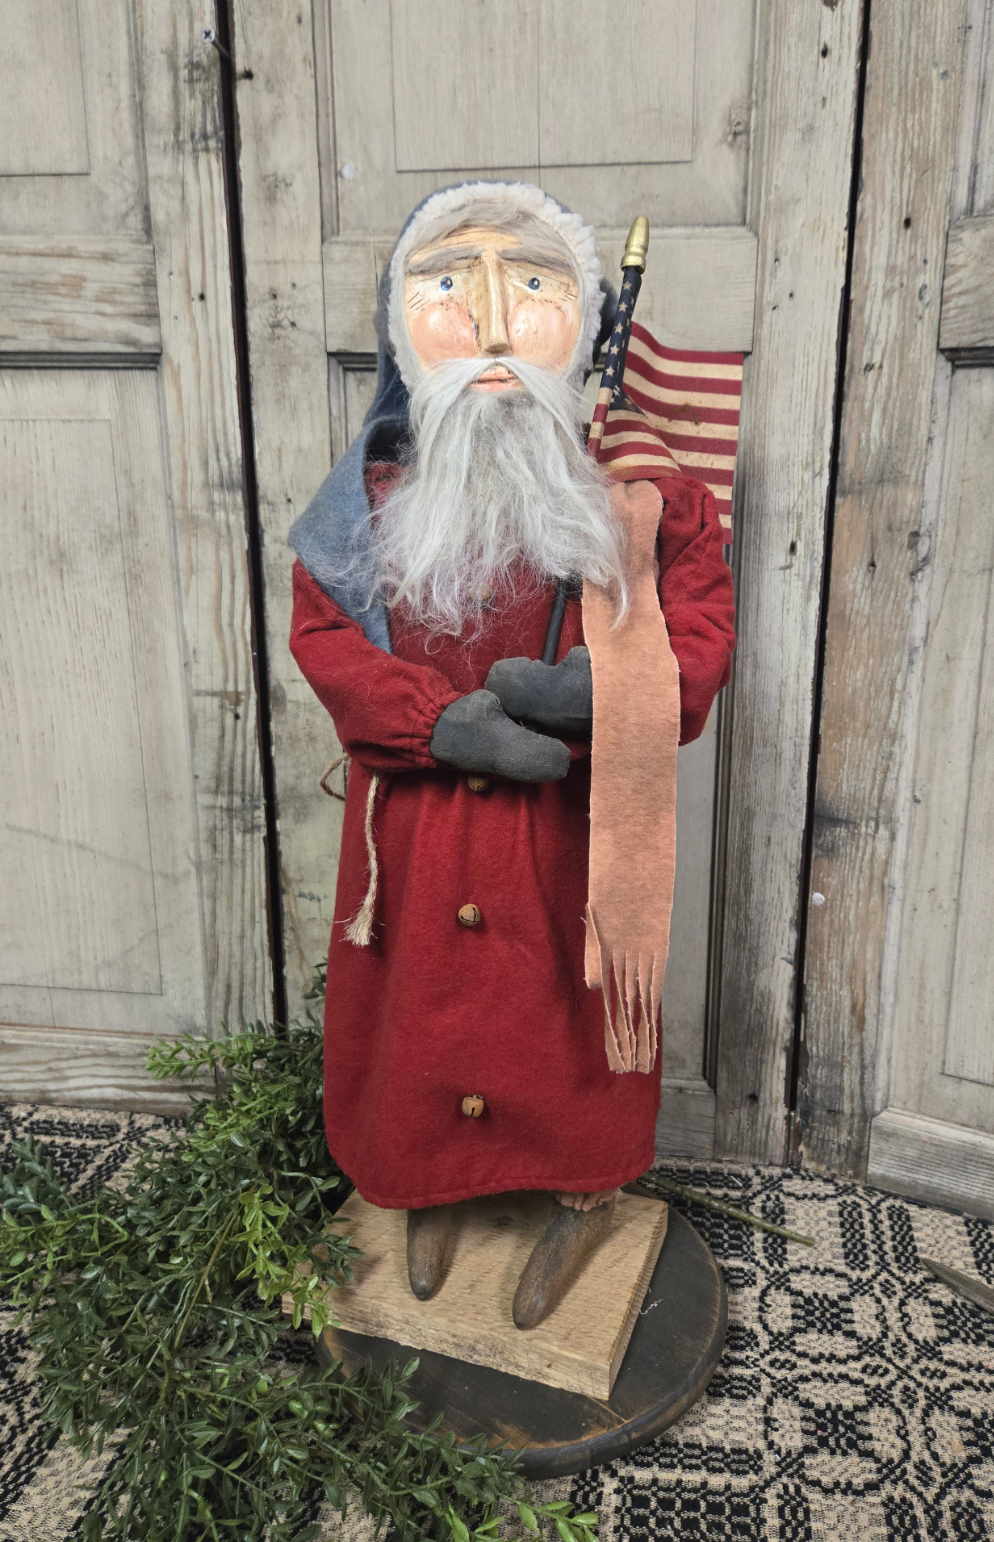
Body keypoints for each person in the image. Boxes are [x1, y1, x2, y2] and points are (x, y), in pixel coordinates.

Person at [289, 181, 735, 1327]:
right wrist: (429, 719)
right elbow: (323, 634)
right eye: (447, 284)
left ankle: (583, 1190)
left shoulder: (640, 503)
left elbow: (696, 625)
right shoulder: (367, 507)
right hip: (420, 841)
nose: (489, 322)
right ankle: (419, 1177)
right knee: (420, 1011)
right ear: (402, 324)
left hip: (568, 850)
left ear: (582, 323)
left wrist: (609, 696)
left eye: (531, 286)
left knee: (566, 1029)